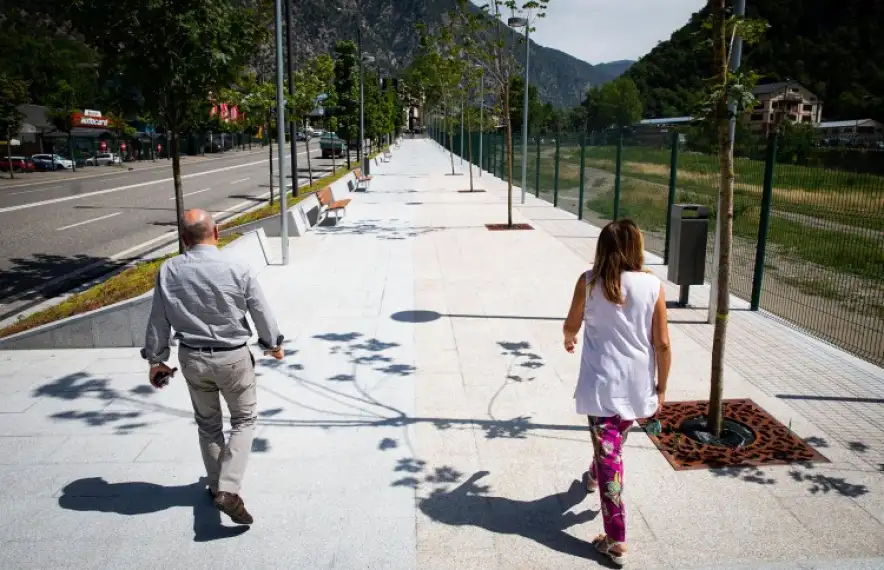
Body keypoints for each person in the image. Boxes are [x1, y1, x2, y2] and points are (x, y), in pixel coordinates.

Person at [142, 209, 284, 526]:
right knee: (244, 420)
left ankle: (217, 486)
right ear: (216, 232)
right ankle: (229, 490)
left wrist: (156, 360)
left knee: (208, 425)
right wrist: (272, 343)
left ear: (182, 239)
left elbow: (158, 319)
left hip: (192, 358)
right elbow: (260, 308)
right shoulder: (237, 265)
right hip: (233, 357)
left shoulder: (168, 270)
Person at [562, 219, 671, 566]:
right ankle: (594, 475)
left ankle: (616, 540)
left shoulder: (589, 281)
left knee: (611, 455)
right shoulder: (652, 285)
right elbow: (663, 344)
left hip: (602, 386)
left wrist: (568, 337)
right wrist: (662, 388)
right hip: (638, 387)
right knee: (610, 443)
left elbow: (571, 323)